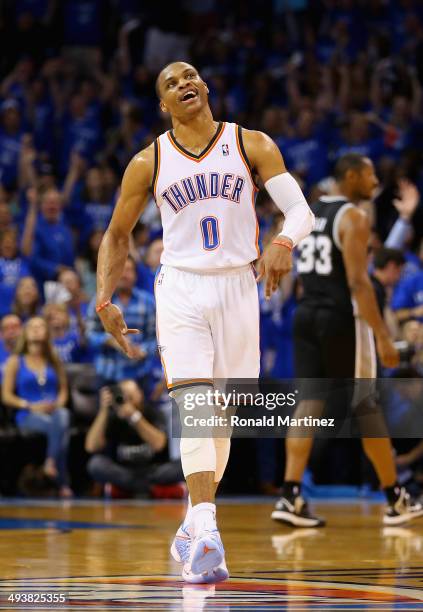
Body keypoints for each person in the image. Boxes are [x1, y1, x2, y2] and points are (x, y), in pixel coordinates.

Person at [95, 61, 314, 583]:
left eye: (189, 75)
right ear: (164, 105)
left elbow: (301, 210)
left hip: (240, 283)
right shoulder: (148, 161)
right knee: (194, 401)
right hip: (182, 285)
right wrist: (104, 299)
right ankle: (208, 527)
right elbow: (117, 234)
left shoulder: (251, 143)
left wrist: (284, 241)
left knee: (221, 413)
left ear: (207, 86)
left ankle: (193, 523)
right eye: (170, 84)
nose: (183, 84)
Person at [272, 153, 423, 528]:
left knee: (309, 402)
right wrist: (384, 338)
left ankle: (290, 494)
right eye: (370, 175)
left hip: (306, 314)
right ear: (352, 176)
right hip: (341, 318)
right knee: (366, 404)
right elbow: (358, 282)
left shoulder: (306, 212)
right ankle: (395, 498)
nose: (375, 182)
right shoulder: (353, 217)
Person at [1, 316, 72, 497]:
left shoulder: (54, 360)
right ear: (25, 332)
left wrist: (58, 404)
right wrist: (30, 406)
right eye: (31, 326)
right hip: (28, 414)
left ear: (47, 332)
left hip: (54, 412)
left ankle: (50, 464)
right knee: (60, 428)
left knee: (61, 417)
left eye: (40, 326)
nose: (36, 329)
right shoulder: (16, 361)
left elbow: (63, 390)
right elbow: (6, 395)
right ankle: (62, 481)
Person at [85, 380, 183, 496]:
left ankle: (125, 490)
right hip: (125, 472)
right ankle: (154, 490)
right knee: (95, 464)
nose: (127, 400)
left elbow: (159, 444)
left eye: (131, 396)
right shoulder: (113, 416)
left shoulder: (152, 412)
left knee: (184, 464)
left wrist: (134, 417)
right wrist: (103, 410)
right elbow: (91, 447)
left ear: (140, 394)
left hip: (154, 471)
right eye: (124, 396)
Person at [87, 256, 156, 386]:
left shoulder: (148, 302)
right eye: (120, 270)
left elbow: (155, 337)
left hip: (140, 372)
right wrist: (110, 340)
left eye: (129, 270)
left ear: (135, 275)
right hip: (108, 371)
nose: (124, 275)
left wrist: (144, 350)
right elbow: (89, 335)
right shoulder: (100, 301)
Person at [0, 314, 22, 381]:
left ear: (22, 329)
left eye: (15, 327)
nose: (11, 331)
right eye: (6, 328)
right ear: (1, 333)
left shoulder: (31, 351)